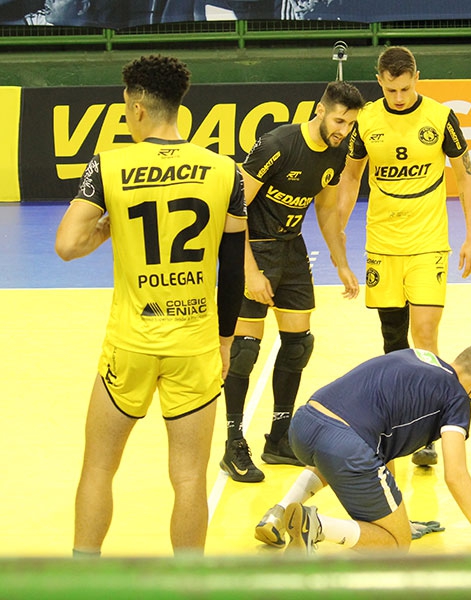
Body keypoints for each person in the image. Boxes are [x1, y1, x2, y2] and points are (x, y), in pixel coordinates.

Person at [54, 55, 246, 556]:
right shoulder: (226, 171)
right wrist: (224, 341)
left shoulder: (109, 164)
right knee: (188, 478)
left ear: (138, 108)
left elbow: (67, 246)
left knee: (99, 465)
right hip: (195, 344)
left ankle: (82, 575)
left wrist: (106, 229)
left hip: (131, 343)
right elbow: (232, 272)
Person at [338, 45, 471, 468]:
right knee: (391, 339)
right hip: (382, 240)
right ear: (379, 80)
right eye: (391, 89)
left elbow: (465, 175)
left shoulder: (440, 118)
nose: (398, 97)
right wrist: (338, 229)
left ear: (416, 77)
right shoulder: (366, 120)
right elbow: (351, 175)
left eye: (405, 88)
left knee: (425, 334)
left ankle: (427, 429)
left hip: (428, 239)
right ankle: (393, 420)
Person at [218, 81, 365, 483]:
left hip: (291, 249)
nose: (343, 130)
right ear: (320, 110)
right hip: (254, 247)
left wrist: (341, 263)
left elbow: (327, 208)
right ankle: (233, 446)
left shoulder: (337, 152)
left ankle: (278, 441)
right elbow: (235, 207)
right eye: (339, 120)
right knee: (245, 351)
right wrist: (248, 271)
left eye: (350, 124)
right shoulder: (277, 145)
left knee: (299, 345)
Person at [253, 341, 471, 555]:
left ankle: (277, 513)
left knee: (333, 453)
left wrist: (393, 513)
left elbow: (381, 449)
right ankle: (316, 525)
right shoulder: (457, 397)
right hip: (346, 445)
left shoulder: (419, 355)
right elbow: (456, 476)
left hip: (305, 425)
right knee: (397, 544)